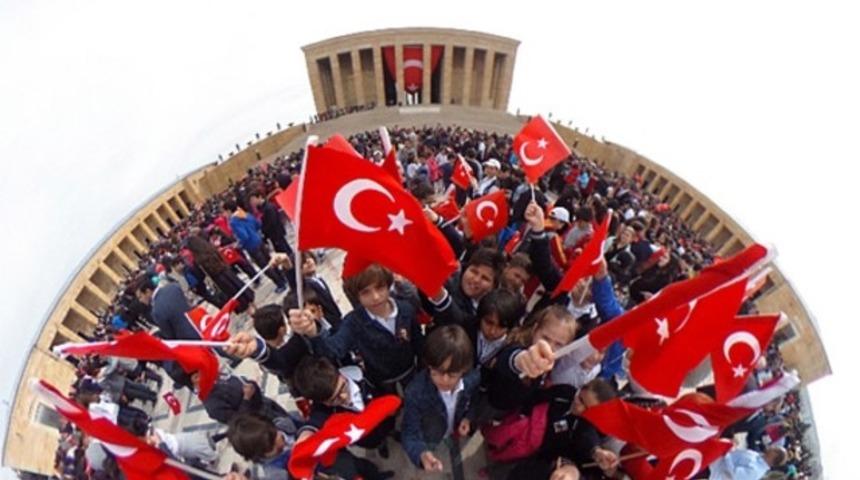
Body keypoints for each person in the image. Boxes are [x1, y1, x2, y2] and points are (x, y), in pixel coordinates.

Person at [289, 264, 424, 393]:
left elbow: (419, 344)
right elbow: (332, 351)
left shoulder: (405, 309)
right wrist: (313, 332)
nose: (376, 297)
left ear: (388, 284)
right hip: (382, 386)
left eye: (380, 287)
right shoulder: (353, 323)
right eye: (366, 292)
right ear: (356, 295)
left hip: (414, 374)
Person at [402, 325, 480, 479]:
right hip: (431, 434)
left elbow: (476, 399)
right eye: (436, 372)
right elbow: (410, 432)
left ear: (464, 369)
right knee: (434, 443)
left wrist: (468, 417)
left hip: (455, 425)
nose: (444, 380)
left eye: (451, 374)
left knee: (449, 436)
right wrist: (421, 453)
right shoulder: (415, 392)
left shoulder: (473, 379)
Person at [292, 355, 395, 457]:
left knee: (390, 429)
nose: (344, 396)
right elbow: (315, 421)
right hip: (367, 438)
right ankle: (381, 446)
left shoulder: (365, 375)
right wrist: (307, 433)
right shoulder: (323, 408)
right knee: (377, 443)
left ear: (340, 374)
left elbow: (384, 390)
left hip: (386, 419)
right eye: (334, 399)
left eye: (343, 387)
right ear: (323, 402)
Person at [484, 305, 578, 412]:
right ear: (534, 330)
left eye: (559, 344)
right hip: (488, 404)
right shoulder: (516, 346)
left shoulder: (553, 363)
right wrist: (520, 361)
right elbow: (511, 359)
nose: (549, 347)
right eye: (545, 338)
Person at [226, 199, 288, 293]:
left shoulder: (233, 222)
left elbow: (244, 236)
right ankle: (282, 278)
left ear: (228, 210)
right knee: (271, 261)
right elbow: (257, 224)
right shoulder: (244, 213)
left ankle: (280, 284)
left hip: (251, 246)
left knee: (265, 266)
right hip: (259, 240)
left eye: (224, 212)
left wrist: (239, 244)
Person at [709, 446, 787, 480]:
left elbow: (733, 474)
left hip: (711, 471)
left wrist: (727, 453)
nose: (772, 446)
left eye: (775, 449)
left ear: (775, 455)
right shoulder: (758, 455)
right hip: (714, 459)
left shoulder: (756, 471)